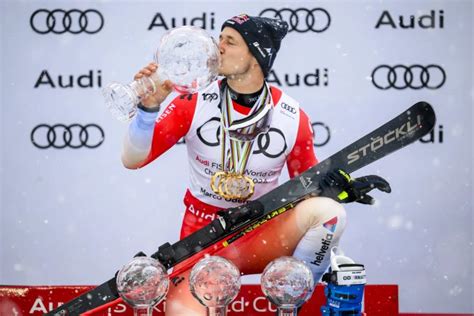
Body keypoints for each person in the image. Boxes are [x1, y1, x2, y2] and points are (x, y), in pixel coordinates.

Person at [121, 14, 390, 315]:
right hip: (203, 241)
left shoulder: (291, 115)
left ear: (257, 56)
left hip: (260, 234)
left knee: (329, 214)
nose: (217, 47)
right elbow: (133, 160)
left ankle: (293, 295)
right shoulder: (194, 100)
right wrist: (147, 109)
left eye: (230, 41)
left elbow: (308, 186)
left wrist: (340, 189)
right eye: (219, 38)